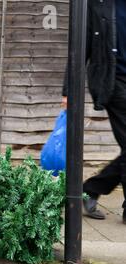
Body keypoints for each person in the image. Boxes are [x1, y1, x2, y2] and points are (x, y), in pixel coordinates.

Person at [63, 0, 126, 224]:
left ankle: (92, 188)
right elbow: (81, 46)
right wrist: (69, 89)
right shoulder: (97, 5)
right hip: (113, 81)